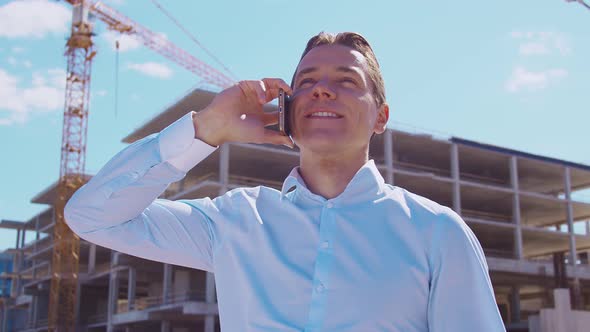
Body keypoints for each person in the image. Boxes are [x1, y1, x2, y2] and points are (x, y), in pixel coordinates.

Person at [65, 32, 506, 331]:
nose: (321, 90)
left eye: (346, 81)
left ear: (381, 116)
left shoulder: (438, 232)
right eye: (308, 82)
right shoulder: (234, 221)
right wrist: (206, 129)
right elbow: (91, 217)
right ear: (288, 110)